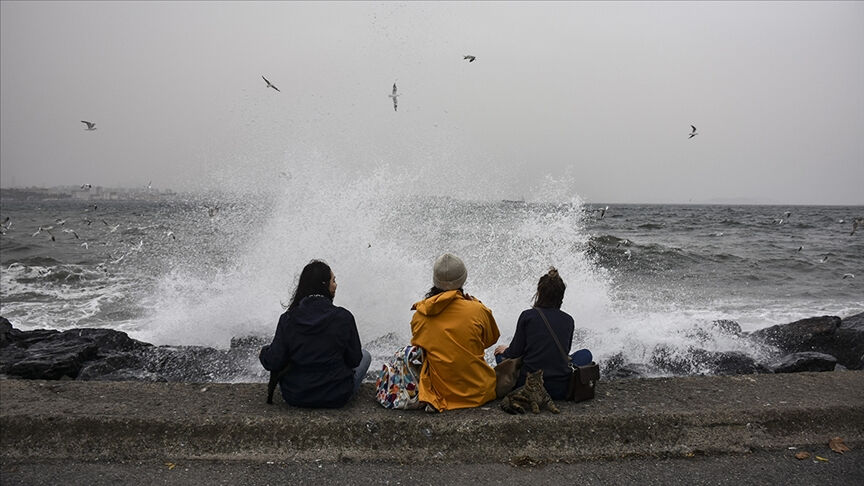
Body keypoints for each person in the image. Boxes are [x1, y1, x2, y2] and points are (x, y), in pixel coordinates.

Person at [260, 260, 371, 408]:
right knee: (365, 355)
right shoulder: (343, 317)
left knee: (279, 352)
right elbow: (354, 360)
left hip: (295, 395)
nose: (336, 285)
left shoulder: (288, 319)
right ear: (325, 285)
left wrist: (263, 352)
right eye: (333, 280)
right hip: (337, 395)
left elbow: (274, 361)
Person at [410, 253, 501, 412]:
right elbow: (490, 340)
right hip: (479, 392)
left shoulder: (420, 315)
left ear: (435, 280)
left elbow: (421, 349)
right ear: (463, 279)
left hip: (441, 395)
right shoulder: (477, 310)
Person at [494, 267, 592, 400]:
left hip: (527, 386)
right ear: (561, 296)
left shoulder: (527, 316)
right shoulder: (568, 320)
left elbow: (515, 352)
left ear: (539, 292)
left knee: (500, 355)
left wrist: (504, 351)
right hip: (560, 388)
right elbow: (566, 351)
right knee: (585, 354)